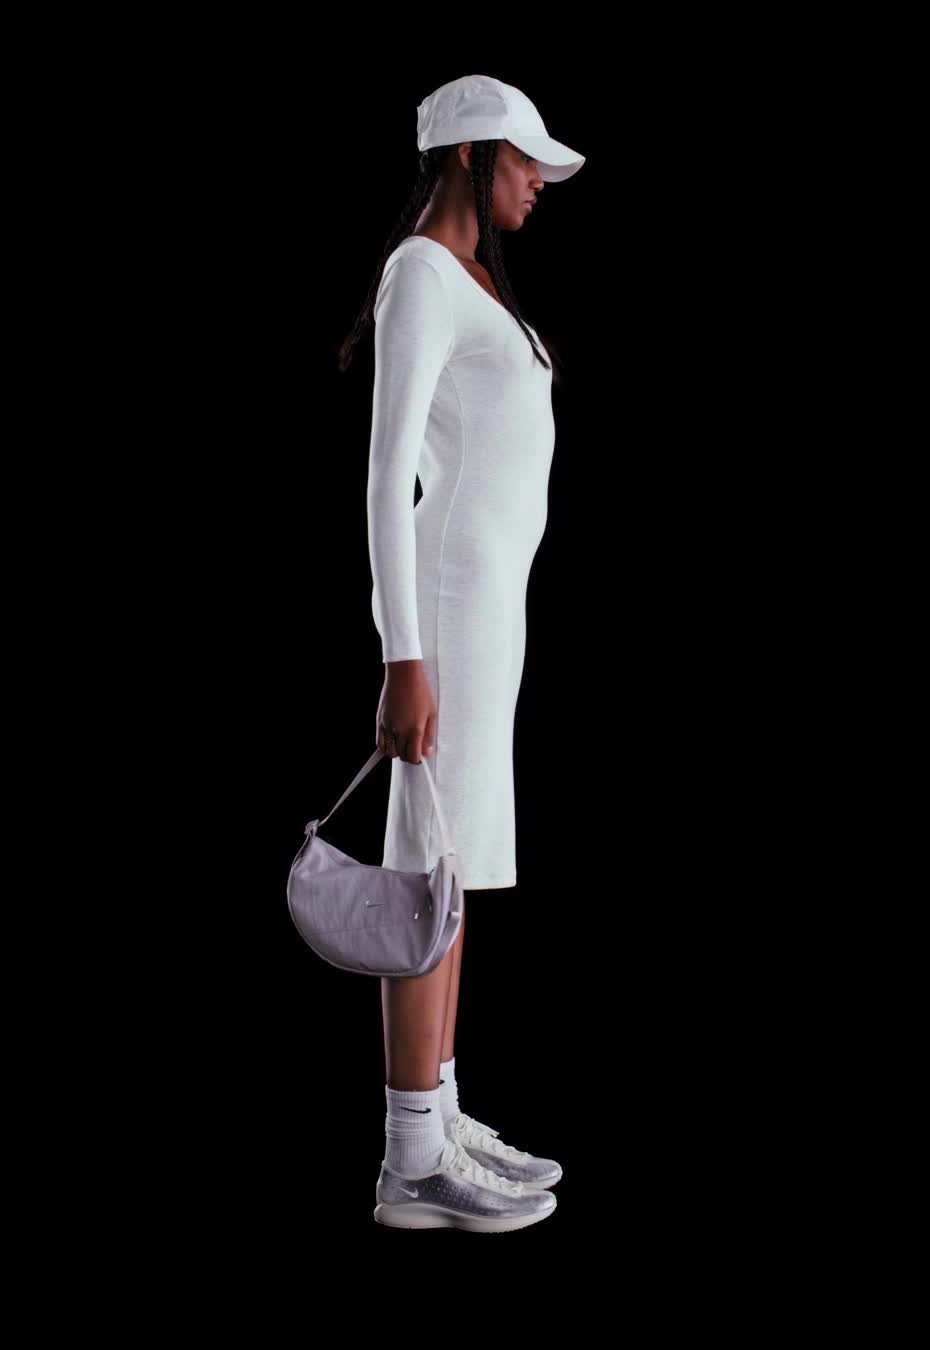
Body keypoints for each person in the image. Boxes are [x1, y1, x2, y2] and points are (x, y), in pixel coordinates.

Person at [337, 75, 585, 1232]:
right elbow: (387, 475)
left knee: (456, 866)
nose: (539, 180)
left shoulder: (470, 279)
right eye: (525, 160)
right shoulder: (423, 275)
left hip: (488, 618)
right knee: (424, 875)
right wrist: (404, 656)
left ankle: (437, 1116)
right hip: (444, 611)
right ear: (470, 158)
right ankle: (409, 1160)